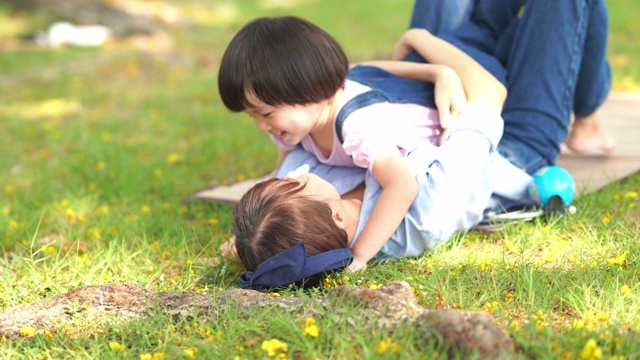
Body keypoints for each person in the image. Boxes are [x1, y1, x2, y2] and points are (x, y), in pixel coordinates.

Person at [225, 0, 612, 289]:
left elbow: (349, 80)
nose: (293, 172)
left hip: (420, 92)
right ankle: (588, 116)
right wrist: (424, 43)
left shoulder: (305, 188)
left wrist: (246, 244)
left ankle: (503, 49)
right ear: (338, 218)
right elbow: (487, 93)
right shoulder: (427, 212)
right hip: (507, 139)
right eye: (292, 181)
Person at [218, 16, 487, 271]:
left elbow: (402, 184)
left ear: (309, 90)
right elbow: (358, 71)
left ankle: (421, 36)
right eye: (252, 115)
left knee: (488, 25)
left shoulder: (358, 129)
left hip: (458, 91)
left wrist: (360, 253)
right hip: (411, 76)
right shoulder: (295, 124)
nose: (262, 126)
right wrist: (249, 236)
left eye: (265, 114)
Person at [408, 0, 616, 156]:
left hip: (434, 74)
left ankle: (587, 122)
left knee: (501, 31)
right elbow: (491, 92)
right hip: (515, 141)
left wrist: (417, 41)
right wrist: (419, 41)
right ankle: (587, 122)